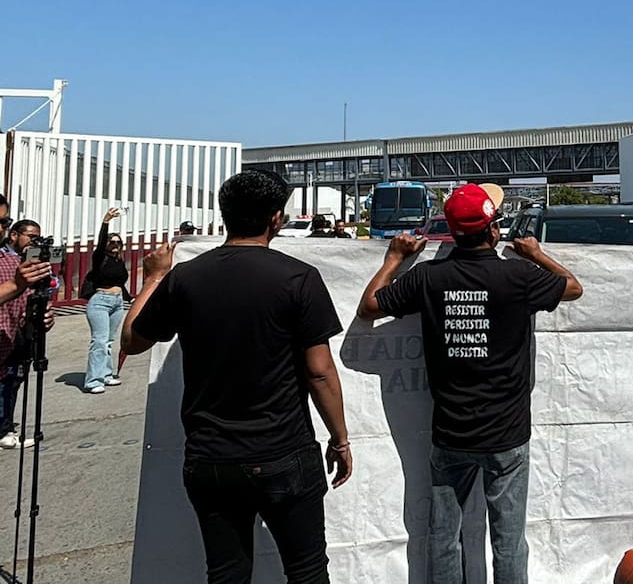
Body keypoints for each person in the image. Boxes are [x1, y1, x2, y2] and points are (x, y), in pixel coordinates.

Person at [121, 169, 352, 583]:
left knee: (227, 573)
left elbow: (132, 340)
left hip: (212, 458)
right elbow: (319, 373)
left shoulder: (185, 278)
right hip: (285, 452)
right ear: (276, 218)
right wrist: (340, 439)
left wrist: (154, 275)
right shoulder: (298, 278)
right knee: (308, 571)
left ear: (225, 215)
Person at [357, 182, 583, 584]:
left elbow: (371, 305)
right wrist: (537, 254)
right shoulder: (517, 275)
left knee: (445, 537)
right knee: (508, 542)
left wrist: (393, 258)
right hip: (508, 434)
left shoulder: (429, 277)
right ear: (493, 230)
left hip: (451, 433)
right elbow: (573, 288)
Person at [0, 219, 56, 450]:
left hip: (17, 335)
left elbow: (32, 297)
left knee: (12, 383)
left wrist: (43, 314)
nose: (34, 242)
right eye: (30, 237)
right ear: (15, 235)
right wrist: (16, 283)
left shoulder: (19, 262)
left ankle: (5, 427)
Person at [83, 208, 130, 393]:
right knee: (99, 341)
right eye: (112, 241)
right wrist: (106, 221)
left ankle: (106, 375)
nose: (114, 244)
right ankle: (93, 381)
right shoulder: (99, 258)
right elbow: (101, 243)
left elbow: (120, 284)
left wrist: (129, 299)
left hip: (117, 302)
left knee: (109, 341)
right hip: (100, 302)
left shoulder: (119, 262)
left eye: (118, 242)